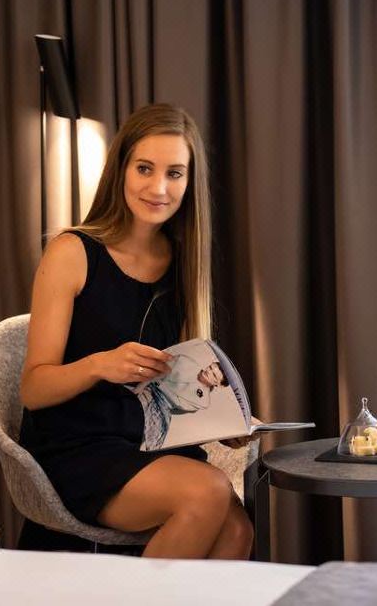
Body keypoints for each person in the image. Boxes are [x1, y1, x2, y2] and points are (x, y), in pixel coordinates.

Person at [18, 103, 254, 559]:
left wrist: (222, 419)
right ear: (121, 169)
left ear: (190, 182)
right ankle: (136, 593)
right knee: (208, 490)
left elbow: (171, 388)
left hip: (148, 440)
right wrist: (98, 365)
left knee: (237, 530)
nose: (158, 188)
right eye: (144, 168)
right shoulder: (72, 252)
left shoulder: (182, 261)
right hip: (78, 446)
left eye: (174, 173)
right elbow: (33, 389)